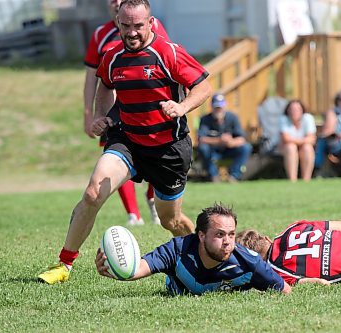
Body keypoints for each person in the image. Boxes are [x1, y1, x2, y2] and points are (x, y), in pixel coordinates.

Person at [38, 0, 212, 285]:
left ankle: (203, 263)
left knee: (171, 220)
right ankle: (64, 265)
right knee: (93, 193)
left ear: (151, 22)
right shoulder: (112, 55)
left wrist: (181, 108)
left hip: (168, 149)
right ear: (117, 23)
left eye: (138, 26)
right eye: (126, 25)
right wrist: (101, 116)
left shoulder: (168, 53)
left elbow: (203, 86)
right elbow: (105, 84)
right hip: (128, 140)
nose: (132, 32)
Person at [83, 0, 165, 226]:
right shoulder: (100, 34)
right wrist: (89, 112)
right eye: (113, 0)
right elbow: (92, 76)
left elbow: (166, 62)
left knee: (157, 155)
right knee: (115, 156)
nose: (117, 3)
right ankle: (133, 214)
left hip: (148, 107)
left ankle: (152, 198)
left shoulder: (151, 25)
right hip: (113, 109)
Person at [95, 203, 292, 295]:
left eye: (231, 234)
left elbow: (284, 290)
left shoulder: (250, 263)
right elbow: (136, 269)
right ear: (201, 235)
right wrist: (114, 268)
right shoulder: (177, 250)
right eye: (220, 234)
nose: (227, 242)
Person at [197, 94, 252, 183]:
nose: (219, 110)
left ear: (225, 106)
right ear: (212, 107)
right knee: (203, 148)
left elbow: (242, 138)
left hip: (229, 150)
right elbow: (201, 139)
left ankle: (234, 176)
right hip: (213, 151)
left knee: (246, 147)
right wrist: (219, 140)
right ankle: (213, 176)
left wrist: (231, 142)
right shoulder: (205, 119)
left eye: (220, 107)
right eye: (216, 107)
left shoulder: (233, 117)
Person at [279, 99, 316, 182]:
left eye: (297, 109)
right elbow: (285, 139)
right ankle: (292, 180)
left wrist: (297, 142)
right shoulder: (283, 120)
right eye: (292, 109)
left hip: (303, 147)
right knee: (291, 147)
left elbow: (312, 139)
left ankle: (306, 180)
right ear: (287, 111)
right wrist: (303, 141)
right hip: (285, 148)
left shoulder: (308, 118)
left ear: (302, 110)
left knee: (307, 148)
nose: (294, 112)